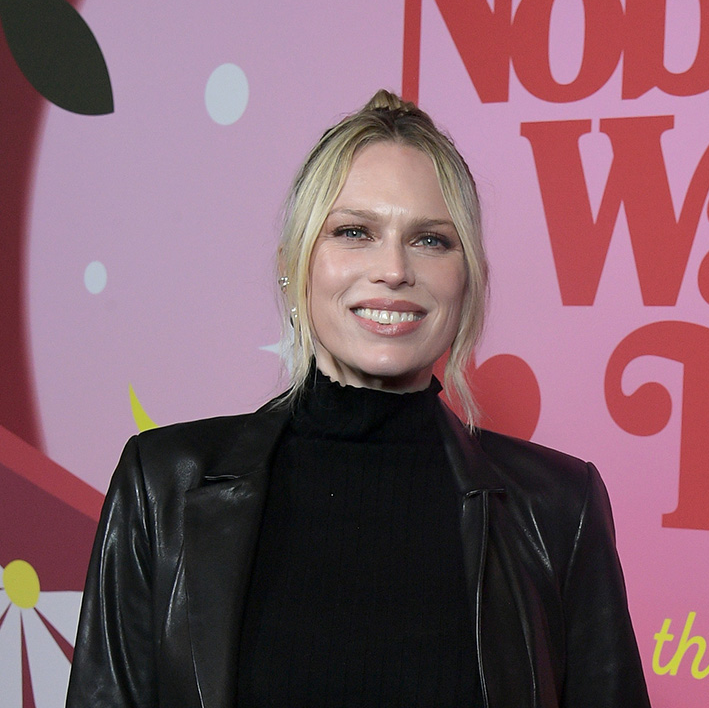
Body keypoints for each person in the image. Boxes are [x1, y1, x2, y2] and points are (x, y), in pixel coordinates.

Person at [67, 90, 653, 708]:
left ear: (467, 277)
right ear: (294, 265)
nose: (394, 268)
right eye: (354, 232)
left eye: (430, 240)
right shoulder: (164, 486)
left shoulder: (559, 509)